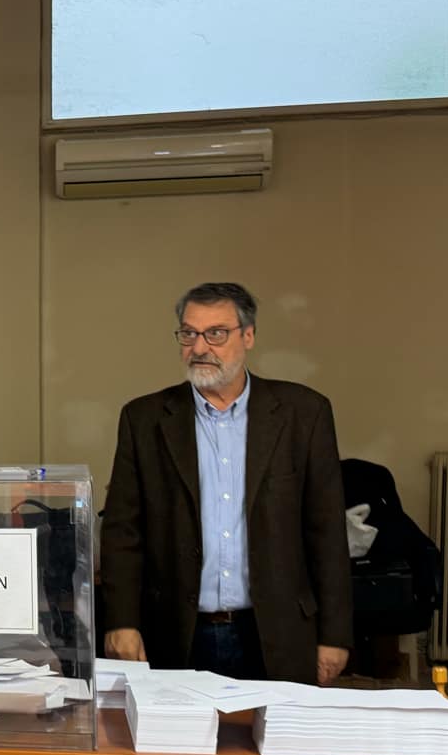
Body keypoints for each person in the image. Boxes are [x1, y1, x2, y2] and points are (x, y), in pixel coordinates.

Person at [99, 281, 354, 687]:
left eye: (216, 333)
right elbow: (122, 532)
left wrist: (335, 636)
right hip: (176, 633)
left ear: (248, 335)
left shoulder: (304, 414)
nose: (200, 347)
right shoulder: (144, 419)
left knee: (273, 732)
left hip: (278, 633)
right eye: (189, 334)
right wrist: (121, 621)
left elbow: (327, 533)